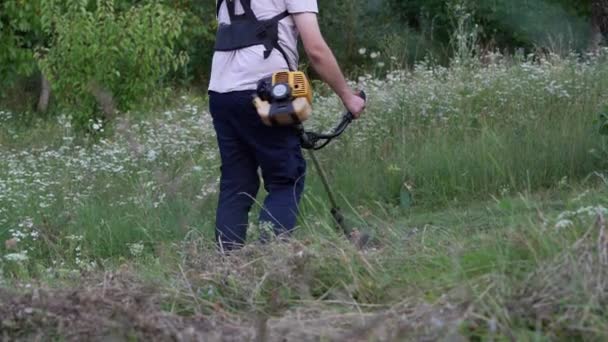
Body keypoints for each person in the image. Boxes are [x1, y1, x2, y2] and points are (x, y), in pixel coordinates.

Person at [208, 0, 365, 251]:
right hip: (268, 91)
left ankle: (226, 271)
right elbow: (315, 50)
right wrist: (348, 96)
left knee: (236, 183)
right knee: (285, 178)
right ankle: (272, 264)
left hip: (220, 93)